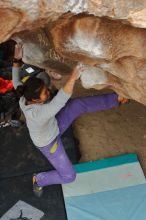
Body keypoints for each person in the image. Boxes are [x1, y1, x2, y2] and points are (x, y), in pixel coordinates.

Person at [12, 44, 128, 197]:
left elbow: (15, 80)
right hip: (49, 142)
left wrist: (16, 58)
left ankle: (117, 99)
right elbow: (61, 99)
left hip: (53, 125)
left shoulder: (23, 95)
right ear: (35, 101)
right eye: (45, 93)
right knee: (69, 176)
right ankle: (39, 179)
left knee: (77, 105)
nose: (48, 92)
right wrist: (73, 76)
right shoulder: (39, 113)